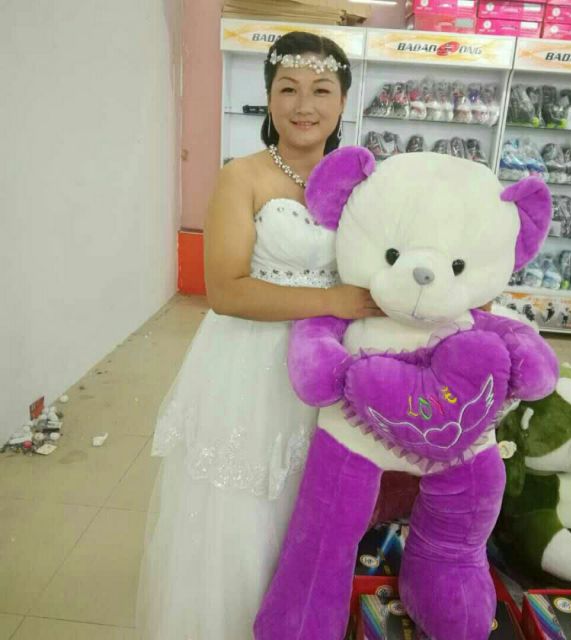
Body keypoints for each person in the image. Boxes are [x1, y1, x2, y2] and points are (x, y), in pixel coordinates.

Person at [135, 32, 382, 640]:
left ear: (343, 100)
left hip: (331, 369)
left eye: (321, 90)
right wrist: (332, 301)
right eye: (288, 89)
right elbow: (225, 290)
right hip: (248, 368)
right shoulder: (240, 177)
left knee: (315, 509)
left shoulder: (365, 182)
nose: (305, 105)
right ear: (269, 98)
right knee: (244, 514)